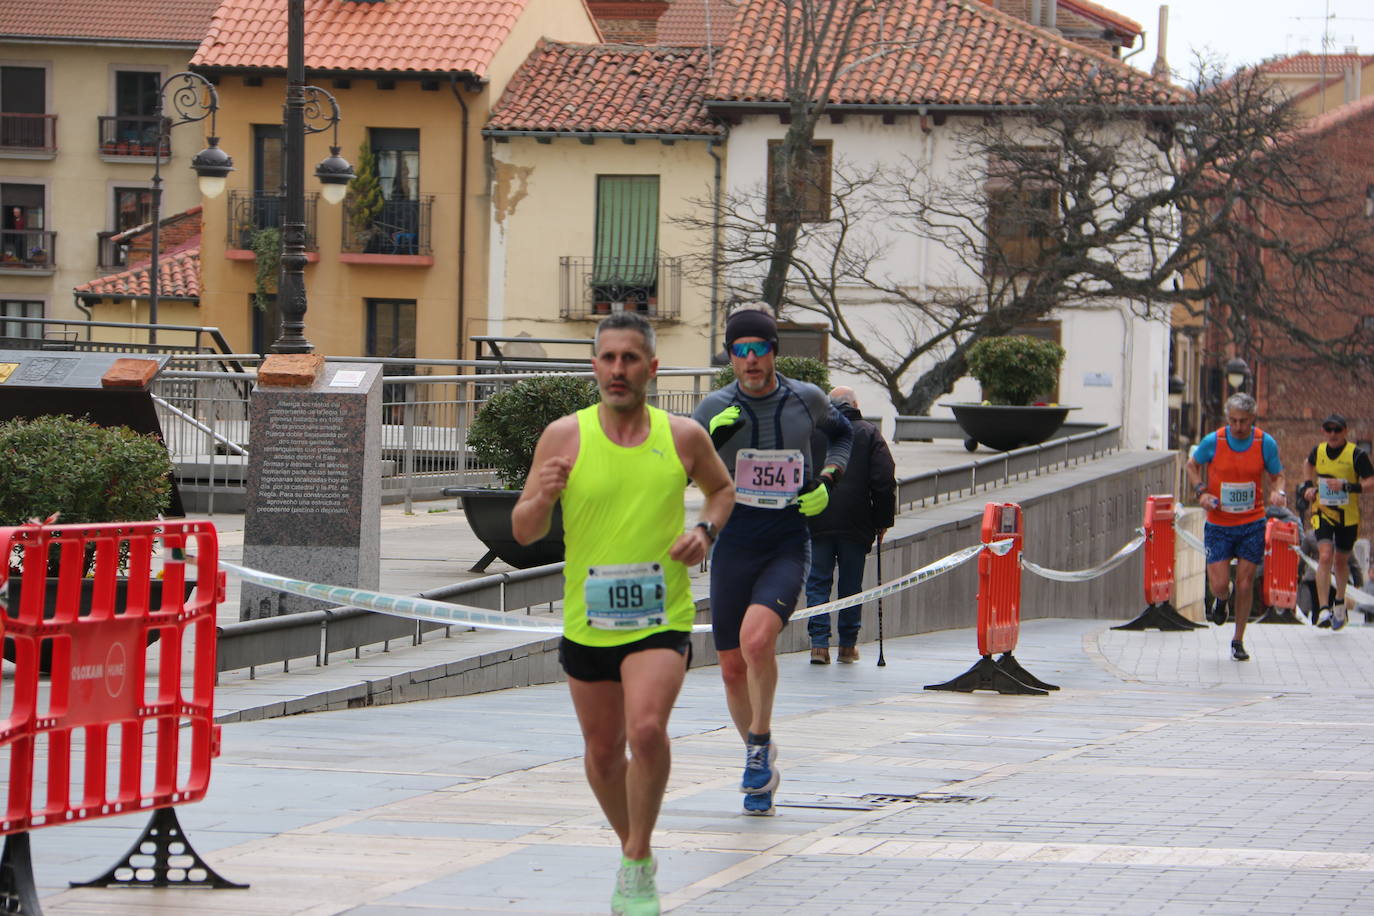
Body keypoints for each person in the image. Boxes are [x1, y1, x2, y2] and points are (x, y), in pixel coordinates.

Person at [512, 311, 734, 915]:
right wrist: (543, 495)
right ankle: (633, 850)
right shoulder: (564, 437)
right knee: (605, 752)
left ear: (651, 367)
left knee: (646, 730)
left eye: (629, 358)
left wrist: (705, 533)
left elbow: (723, 489)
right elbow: (524, 530)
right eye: (607, 358)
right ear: (594, 366)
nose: (618, 370)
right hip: (590, 621)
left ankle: (636, 860)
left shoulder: (683, 435)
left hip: (661, 616)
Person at [692, 306, 852, 815]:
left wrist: (828, 480)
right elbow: (676, 475)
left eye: (760, 348)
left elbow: (843, 434)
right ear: (731, 357)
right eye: (741, 351)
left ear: (774, 352)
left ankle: (759, 742)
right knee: (731, 668)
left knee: (756, 639)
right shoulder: (713, 408)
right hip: (733, 542)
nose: (751, 359)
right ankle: (757, 760)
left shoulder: (806, 398)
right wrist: (712, 439)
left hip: (786, 540)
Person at [1184, 392, 1287, 661]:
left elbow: (1278, 476)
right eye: (1233, 421)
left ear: (1253, 418)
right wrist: (1201, 492)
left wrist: (1279, 492)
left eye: (1243, 421)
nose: (1238, 427)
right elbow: (1191, 465)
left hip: (1252, 522)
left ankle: (1238, 640)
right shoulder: (1214, 441)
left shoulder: (1265, 443)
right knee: (1219, 584)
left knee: (1245, 583)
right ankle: (1221, 599)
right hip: (1219, 522)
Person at [804, 387, 896, 664]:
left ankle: (819, 644)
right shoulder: (869, 433)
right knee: (850, 585)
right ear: (855, 404)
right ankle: (847, 645)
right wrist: (882, 521)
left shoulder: (812, 432)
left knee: (817, 582)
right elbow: (883, 481)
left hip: (817, 518)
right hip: (857, 523)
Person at [1298, 413, 1374, 630]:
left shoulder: (1356, 454)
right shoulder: (1319, 450)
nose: (1332, 434)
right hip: (1322, 511)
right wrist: (1307, 486)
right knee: (1324, 555)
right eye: (1328, 430)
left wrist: (1348, 487)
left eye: (1337, 430)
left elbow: (1371, 481)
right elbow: (1308, 464)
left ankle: (1339, 602)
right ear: (1323, 431)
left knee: (1340, 561)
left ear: (1345, 432)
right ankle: (1323, 609)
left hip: (1347, 516)